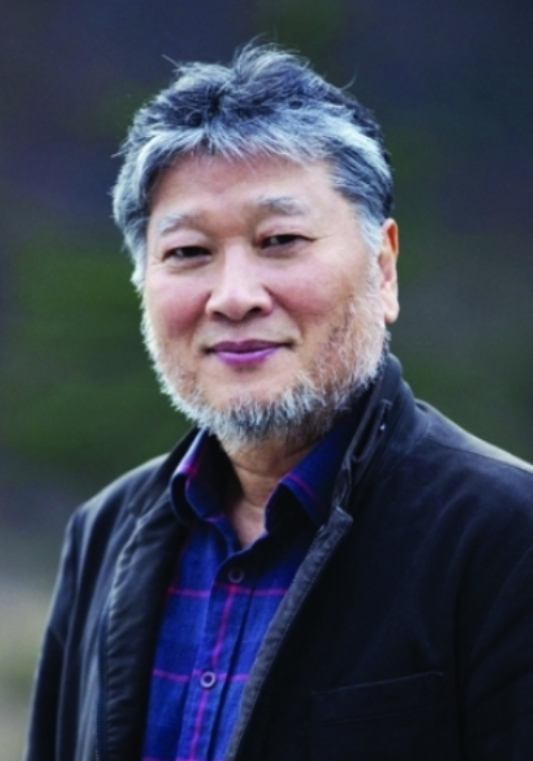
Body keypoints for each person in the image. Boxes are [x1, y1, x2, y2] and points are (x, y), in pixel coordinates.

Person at [24, 43, 533, 761]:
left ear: (383, 268)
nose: (234, 297)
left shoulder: (505, 536)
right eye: (188, 252)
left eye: (280, 240)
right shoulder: (105, 533)